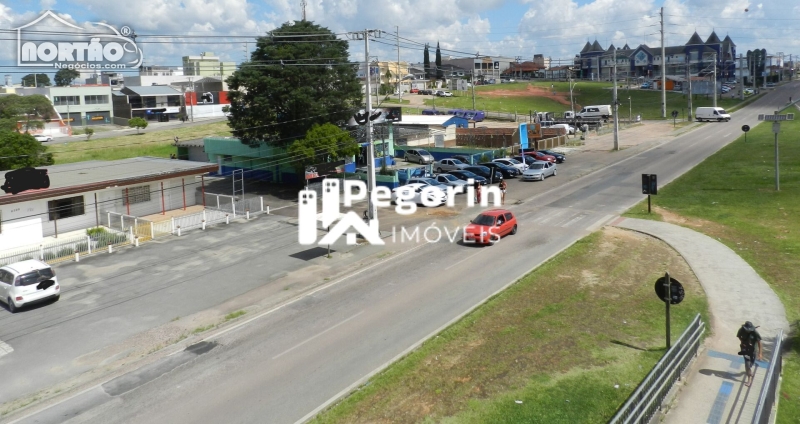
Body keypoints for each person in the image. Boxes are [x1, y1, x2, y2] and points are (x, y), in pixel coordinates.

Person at [737, 321, 763, 387]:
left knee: (751, 363)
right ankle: (749, 380)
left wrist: (760, 353)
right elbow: (739, 336)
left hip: (753, 350)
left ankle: (749, 370)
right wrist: (742, 342)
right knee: (747, 364)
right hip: (745, 349)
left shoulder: (755, 332)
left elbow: (759, 342)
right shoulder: (741, 330)